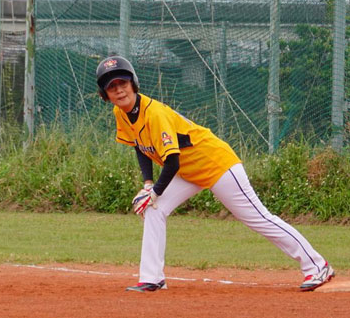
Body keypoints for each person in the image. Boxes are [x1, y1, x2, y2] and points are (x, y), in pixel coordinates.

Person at [96, 55, 334, 292]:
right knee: (153, 209)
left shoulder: (154, 113)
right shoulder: (121, 113)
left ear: (133, 83)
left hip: (217, 164)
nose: (119, 90)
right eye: (112, 87)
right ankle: (152, 278)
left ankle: (317, 265)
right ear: (105, 94)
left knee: (259, 218)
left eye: (123, 83)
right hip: (190, 171)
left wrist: (157, 190)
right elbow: (140, 145)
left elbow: (172, 161)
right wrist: (149, 185)